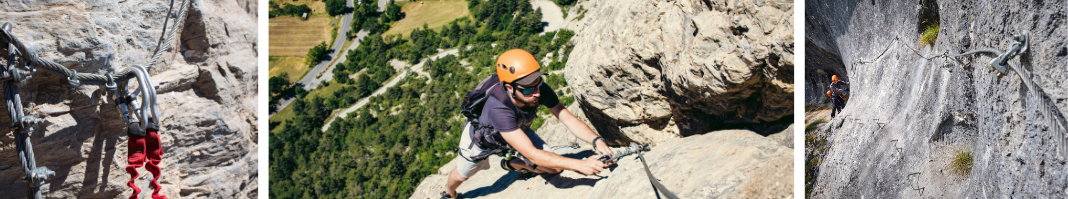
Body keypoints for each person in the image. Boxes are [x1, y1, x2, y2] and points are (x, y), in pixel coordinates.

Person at [441, 49, 615, 199]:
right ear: (510, 88)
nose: (536, 93)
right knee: (462, 175)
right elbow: (533, 154)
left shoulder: (537, 89)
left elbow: (567, 118)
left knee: (554, 169)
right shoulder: (498, 109)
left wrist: (596, 141)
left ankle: (513, 164)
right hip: (482, 143)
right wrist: (580, 165)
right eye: (529, 89)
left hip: (517, 131)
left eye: (538, 84)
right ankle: (449, 194)